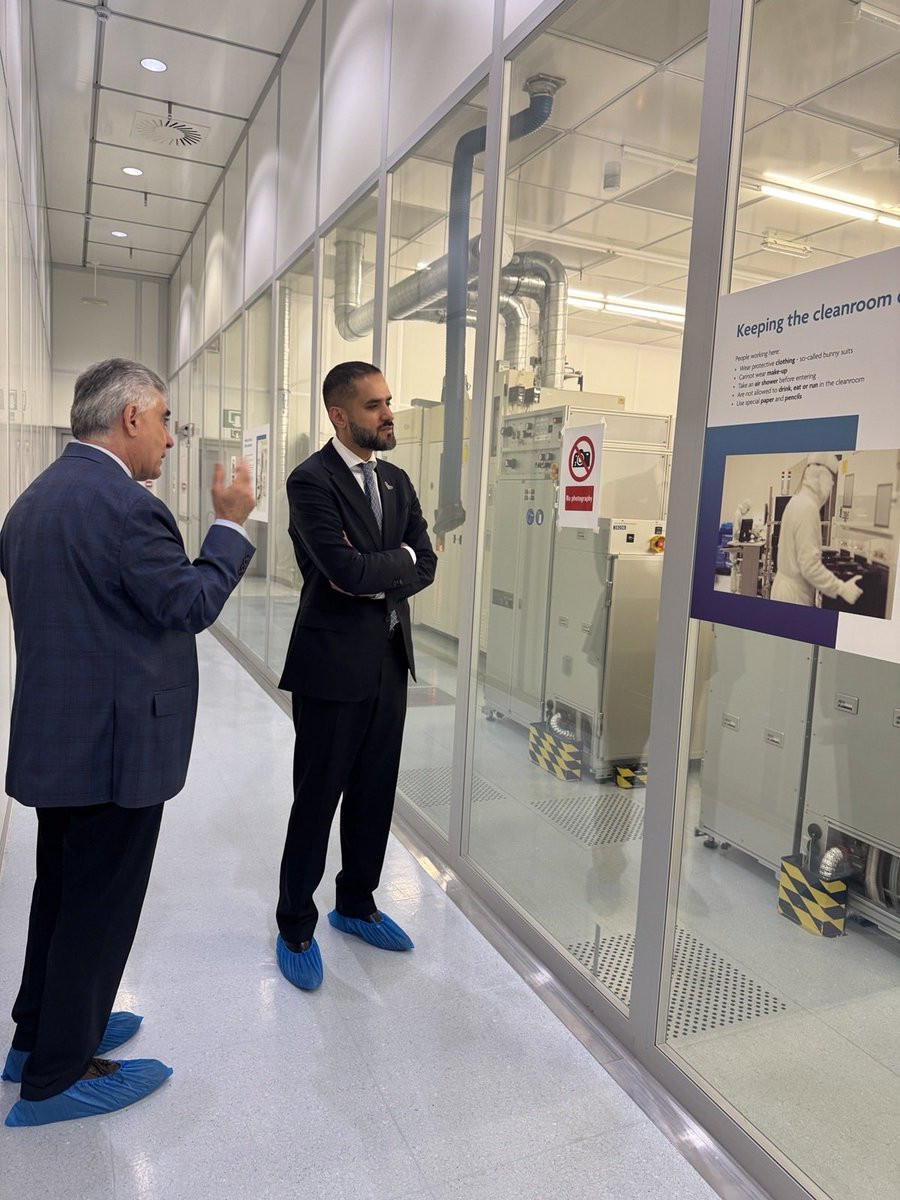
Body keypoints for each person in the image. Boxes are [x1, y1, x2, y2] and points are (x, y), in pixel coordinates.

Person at [0, 358, 256, 1127]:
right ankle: (57, 1076)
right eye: (166, 419)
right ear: (131, 418)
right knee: (98, 908)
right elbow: (189, 604)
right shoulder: (126, 507)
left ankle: (38, 1035)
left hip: (60, 740)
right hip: (114, 749)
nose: (171, 438)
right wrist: (230, 524)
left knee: (61, 892)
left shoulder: (33, 500)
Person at [275, 361, 437, 991]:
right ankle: (295, 924)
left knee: (375, 792)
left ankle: (357, 903)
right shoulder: (310, 480)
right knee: (317, 799)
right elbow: (341, 569)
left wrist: (381, 566)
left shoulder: (395, 480)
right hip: (330, 667)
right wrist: (389, 563)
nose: (389, 414)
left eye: (388, 401)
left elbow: (425, 562)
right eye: (374, 406)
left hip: (389, 661)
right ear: (338, 416)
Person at [770, 452, 862, 607]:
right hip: (794, 596)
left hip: (784, 589)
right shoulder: (808, 508)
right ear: (822, 478)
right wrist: (841, 588)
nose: (830, 489)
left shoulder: (796, 501)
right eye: (830, 483)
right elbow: (810, 567)